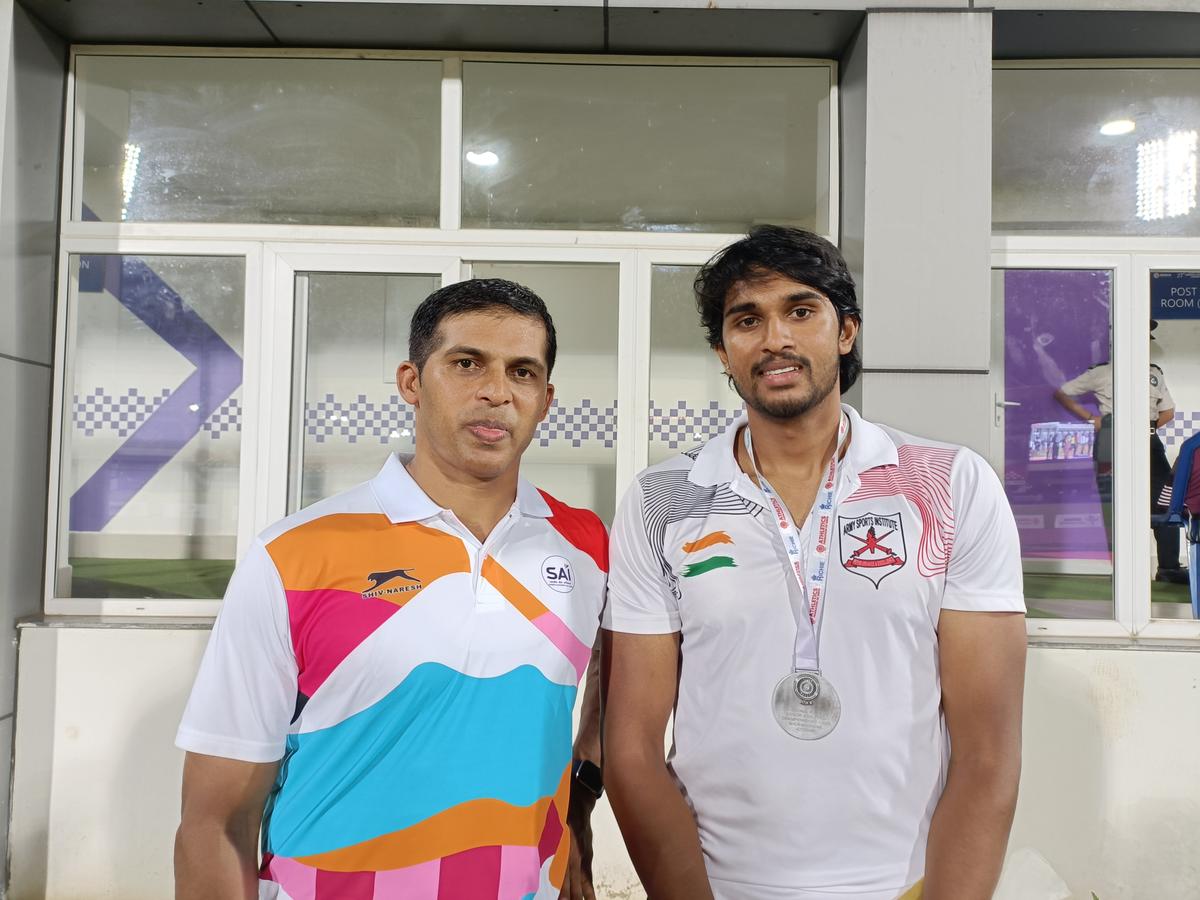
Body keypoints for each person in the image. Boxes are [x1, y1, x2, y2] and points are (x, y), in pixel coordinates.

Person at [601, 226, 1027, 900]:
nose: (775, 338)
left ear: (846, 331)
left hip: (902, 884)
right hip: (718, 883)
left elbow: (988, 750)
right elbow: (631, 748)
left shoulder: (949, 485)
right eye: (747, 320)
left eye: (801, 312)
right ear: (723, 352)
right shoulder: (662, 500)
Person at [175, 279, 606, 900]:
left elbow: (616, 688)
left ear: (545, 399)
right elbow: (215, 820)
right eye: (466, 364)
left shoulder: (587, 545)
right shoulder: (294, 555)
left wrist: (579, 813)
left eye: (523, 372)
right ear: (411, 382)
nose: (496, 392)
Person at [1054, 326, 1189, 585]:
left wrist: (1143, 429)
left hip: (1148, 442)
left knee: (1165, 500)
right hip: (1111, 441)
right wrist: (1093, 420)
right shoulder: (1103, 372)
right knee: (1114, 503)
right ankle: (1122, 573)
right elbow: (1062, 392)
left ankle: (1169, 568)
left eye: (1145, 340)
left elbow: (1168, 412)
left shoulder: (1153, 374)